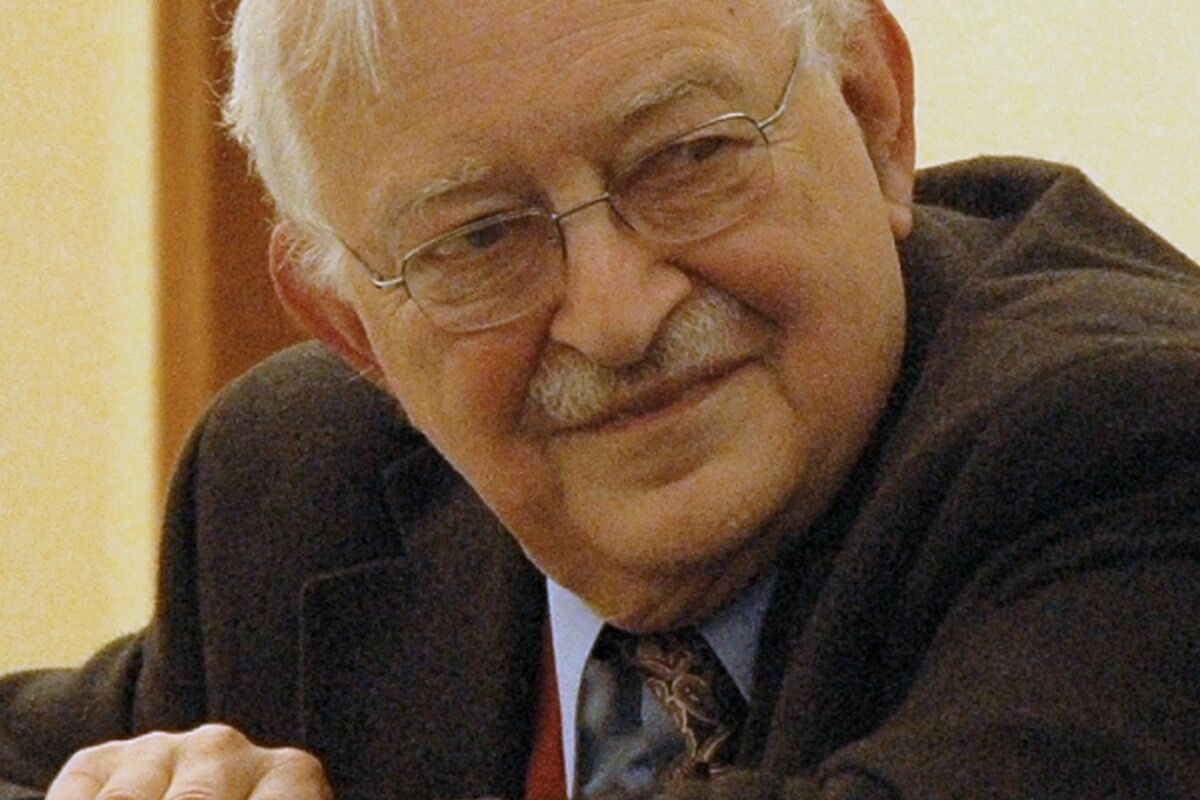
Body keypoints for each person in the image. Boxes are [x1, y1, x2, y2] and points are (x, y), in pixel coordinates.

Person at [3, 0, 1199, 798]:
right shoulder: (300, 483)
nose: (617, 313)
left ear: (872, 113)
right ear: (352, 329)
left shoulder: (1132, 441)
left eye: (689, 157)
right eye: (479, 238)